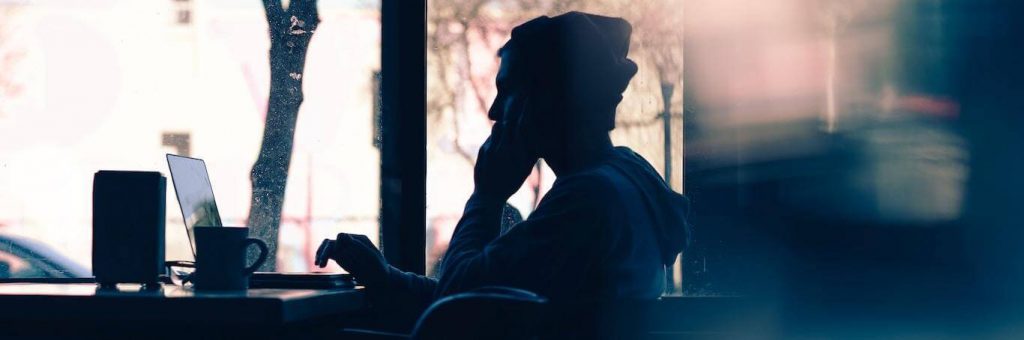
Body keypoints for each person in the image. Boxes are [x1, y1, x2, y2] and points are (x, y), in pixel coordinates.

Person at [321, 11, 691, 336]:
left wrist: (487, 195)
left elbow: (459, 305)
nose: (496, 111)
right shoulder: (622, 179)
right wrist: (387, 278)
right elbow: (483, 290)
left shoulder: (586, 200)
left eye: (508, 91)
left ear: (550, 99)